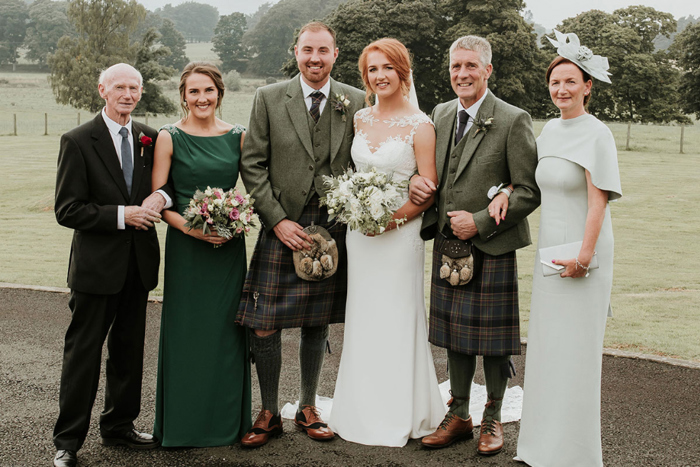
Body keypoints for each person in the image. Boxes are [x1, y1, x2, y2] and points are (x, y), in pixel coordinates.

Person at [235, 21, 365, 448]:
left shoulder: (357, 100)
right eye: (308, 50)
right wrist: (275, 219)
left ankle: (308, 407)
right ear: (296, 52)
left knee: (317, 321)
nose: (315, 58)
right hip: (283, 224)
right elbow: (252, 164)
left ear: (335, 53)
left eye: (323, 50)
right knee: (264, 324)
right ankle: (269, 411)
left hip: (332, 226)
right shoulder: (269, 98)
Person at [409, 35, 540, 455]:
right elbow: (431, 173)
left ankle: (493, 418)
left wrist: (481, 221)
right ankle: (460, 414)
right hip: (449, 246)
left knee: (494, 340)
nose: (461, 74)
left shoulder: (513, 118)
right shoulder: (441, 113)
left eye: (470, 66)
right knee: (455, 336)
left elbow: (528, 191)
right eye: (455, 67)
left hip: (492, 245)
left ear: (487, 70)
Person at [328, 38, 444, 447]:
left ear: (402, 72)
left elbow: (426, 192)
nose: (379, 76)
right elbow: (350, 174)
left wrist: (389, 222)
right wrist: (354, 208)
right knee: (364, 315)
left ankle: (401, 410)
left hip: (399, 237)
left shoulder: (421, 125)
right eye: (372, 70)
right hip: (360, 236)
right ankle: (359, 407)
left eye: (386, 68)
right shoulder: (358, 118)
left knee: (398, 315)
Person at [513, 31, 622, 467]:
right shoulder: (549, 129)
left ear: (588, 85)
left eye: (571, 81)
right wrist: (504, 193)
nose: (562, 89)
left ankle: (574, 455)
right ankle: (539, 448)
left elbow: (598, 202)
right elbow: (536, 187)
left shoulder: (598, 134)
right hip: (548, 252)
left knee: (576, 352)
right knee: (547, 348)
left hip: (584, 253)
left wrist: (583, 256)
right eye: (556, 82)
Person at [52, 63, 168, 467]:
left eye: (134, 87)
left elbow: (167, 183)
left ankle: (119, 425)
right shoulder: (78, 140)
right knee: (83, 354)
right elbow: (68, 210)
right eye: (120, 86)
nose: (128, 94)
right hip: (95, 270)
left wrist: (161, 200)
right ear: (102, 89)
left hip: (139, 266)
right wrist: (123, 215)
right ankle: (68, 442)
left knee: (128, 352)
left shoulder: (150, 137)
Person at [151, 62, 252, 447]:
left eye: (208, 90)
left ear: (219, 93)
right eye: (194, 91)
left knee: (226, 333)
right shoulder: (169, 137)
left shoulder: (239, 136)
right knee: (187, 332)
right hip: (186, 250)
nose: (202, 98)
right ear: (183, 96)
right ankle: (182, 424)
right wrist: (191, 228)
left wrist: (237, 220)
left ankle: (227, 423)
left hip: (228, 248)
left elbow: (253, 186)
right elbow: (160, 199)